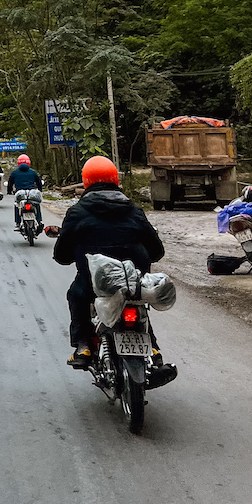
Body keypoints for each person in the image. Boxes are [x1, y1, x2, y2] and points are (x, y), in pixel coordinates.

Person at [52, 155, 165, 369]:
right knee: (137, 304)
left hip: (96, 283)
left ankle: (83, 346)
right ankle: (153, 349)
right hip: (132, 282)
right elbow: (156, 250)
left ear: (85, 182)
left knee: (76, 296)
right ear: (115, 180)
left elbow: (61, 255)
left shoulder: (77, 212)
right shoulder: (133, 210)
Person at [7, 154, 44, 229]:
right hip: (31, 193)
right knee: (36, 204)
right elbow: (38, 182)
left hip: (20, 193)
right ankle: (39, 220)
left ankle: (18, 222)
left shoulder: (14, 172)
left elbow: (10, 183)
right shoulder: (33, 172)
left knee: (17, 205)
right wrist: (40, 190)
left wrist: (9, 191)